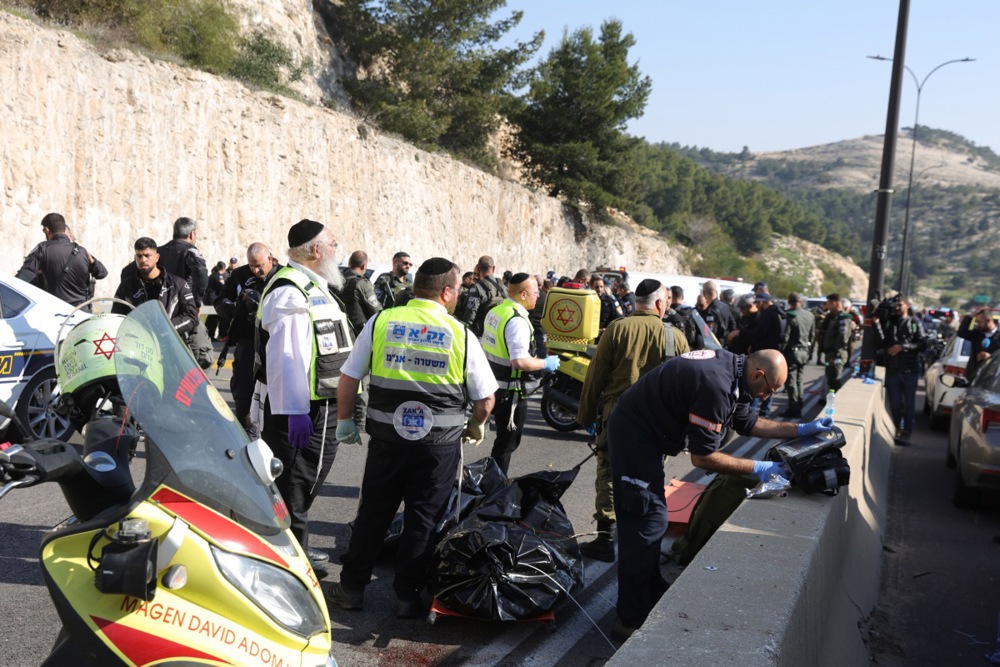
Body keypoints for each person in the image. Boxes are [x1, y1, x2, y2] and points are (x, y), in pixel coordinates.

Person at [606, 348, 834, 640]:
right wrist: (760, 467)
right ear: (758, 375)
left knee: (655, 520)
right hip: (634, 439)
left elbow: (748, 423)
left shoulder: (733, 371)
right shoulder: (716, 385)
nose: (767, 398)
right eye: (768, 390)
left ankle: (649, 592)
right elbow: (702, 458)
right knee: (645, 523)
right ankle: (629, 619)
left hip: (646, 437)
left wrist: (800, 430)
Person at [328, 257, 497, 619]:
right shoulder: (460, 334)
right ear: (447, 291)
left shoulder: (382, 321)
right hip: (438, 448)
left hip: (388, 441)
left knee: (373, 512)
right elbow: (485, 399)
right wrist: (476, 425)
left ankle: (353, 588)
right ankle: (407, 596)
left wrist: (345, 421)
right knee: (423, 518)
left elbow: (348, 378)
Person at [252, 219, 353, 575]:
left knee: (300, 484)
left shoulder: (313, 286)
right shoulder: (291, 291)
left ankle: (296, 552)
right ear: (316, 250)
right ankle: (291, 562)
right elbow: (287, 357)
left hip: (316, 406)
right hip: (301, 409)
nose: (337, 251)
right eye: (334, 244)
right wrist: (295, 410)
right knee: (295, 485)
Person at [576, 279, 689, 563]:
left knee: (609, 476)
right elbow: (685, 387)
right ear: (661, 303)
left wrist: (586, 416)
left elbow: (594, 378)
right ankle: (642, 536)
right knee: (650, 477)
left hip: (616, 417)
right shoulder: (675, 337)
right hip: (656, 422)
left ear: (635, 303)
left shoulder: (616, 329)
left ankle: (606, 539)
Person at [481, 273, 561, 475]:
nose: (538, 296)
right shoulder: (517, 321)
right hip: (510, 393)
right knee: (506, 445)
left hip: (492, 386)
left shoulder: (498, 310)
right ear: (524, 294)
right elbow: (520, 361)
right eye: (535, 293)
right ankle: (495, 489)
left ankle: (491, 483)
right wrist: (546, 363)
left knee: (501, 442)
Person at [215, 242, 281, 434]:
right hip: (247, 341)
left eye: (259, 265)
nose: (256, 270)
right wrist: (238, 308)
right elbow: (220, 300)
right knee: (243, 391)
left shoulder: (283, 275)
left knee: (274, 390)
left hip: (275, 342)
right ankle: (246, 432)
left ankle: (273, 433)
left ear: (270, 258)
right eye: (252, 265)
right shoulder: (240, 275)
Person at [16, 212, 108, 310]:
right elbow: (102, 273)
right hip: (81, 313)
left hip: (55, 312)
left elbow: (22, 278)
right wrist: (92, 260)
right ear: (65, 229)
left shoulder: (42, 248)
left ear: (47, 230)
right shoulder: (82, 251)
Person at [112, 238, 198, 340]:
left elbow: (191, 316)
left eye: (147, 255)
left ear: (157, 257)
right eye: (139, 256)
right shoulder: (126, 287)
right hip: (138, 346)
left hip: (172, 345)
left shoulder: (178, 284)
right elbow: (117, 319)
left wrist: (165, 328)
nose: (143, 260)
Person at [874, 295, 927, 442]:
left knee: (909, 404)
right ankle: (897, 427)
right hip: (893, 370)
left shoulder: (915, 322)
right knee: (896, 404)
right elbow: (881, 342)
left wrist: (903, 347)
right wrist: (877, 321)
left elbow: (923, 343)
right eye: (895, 305)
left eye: (900, 305)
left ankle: (906, 432)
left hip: (910, 370)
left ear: (907, 305)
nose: (897, 307)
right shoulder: (890, 322)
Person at [727, 292, 785, 417]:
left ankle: (752, 415)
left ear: (761, 302)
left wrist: (740, 334)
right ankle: (764, 412)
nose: (757, 307)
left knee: (758, 385)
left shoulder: (767, 314)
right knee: (768, 384)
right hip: (772, 355)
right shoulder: (776, 313)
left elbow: (759, 334)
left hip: (765, 357)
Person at [782, 292, 816, 418]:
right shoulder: (810, 315)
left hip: (792, 352)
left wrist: (781, 351)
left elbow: (786, 336)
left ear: (790, 302)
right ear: (801, 301)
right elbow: (813, 336)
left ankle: (793, 407)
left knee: (791, 380)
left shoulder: (791, 315)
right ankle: (800, 403)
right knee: (800, 379)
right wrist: (810, 352)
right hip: (804, 351)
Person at [456, 255, 505, 336]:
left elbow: (470, 315)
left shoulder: (477, 288)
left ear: (478, 269)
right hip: (498, 332)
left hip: (481, 334)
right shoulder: (501, 285)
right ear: (494, 268)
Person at [818, 293, 855, 393]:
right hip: (831, 354)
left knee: (835, 381)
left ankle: (834, 404)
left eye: (828, 303)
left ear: (834, 303)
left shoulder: (843, 317)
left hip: (836, 355)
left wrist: (834, 355)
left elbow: (843, 338)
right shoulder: (833, 317)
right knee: (831, 381)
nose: (827, 306)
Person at [340, 250, 382, 336]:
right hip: (359, 334)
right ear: (364, 266)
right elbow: (376, 310)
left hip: (340, 331)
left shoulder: (336, 281)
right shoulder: (362, 284)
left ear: (349, 262)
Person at [956, 307, 1000, 383]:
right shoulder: (977, 334)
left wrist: (990, 358)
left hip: (990, 381)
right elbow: (961, 333)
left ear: (988, 321)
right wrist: (970, 316)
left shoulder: (998, 337)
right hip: (972, 377)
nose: (977, 324)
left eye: (979, 322)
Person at [701, 280, 736, 344]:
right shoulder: (725, 306)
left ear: (704, 293)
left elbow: (710, 333)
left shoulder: (710, 311)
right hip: (726, 343)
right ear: (716, 292)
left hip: (717, 345)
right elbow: (733, 324)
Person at [204, 261, 228, 341]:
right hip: (213, 300)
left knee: (212, 318)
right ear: (223, 269)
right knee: (213, 318)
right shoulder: (218, 276)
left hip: (210, 299)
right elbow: (222, 286)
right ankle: (210, 335)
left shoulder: (213, 274)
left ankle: (208, 335)